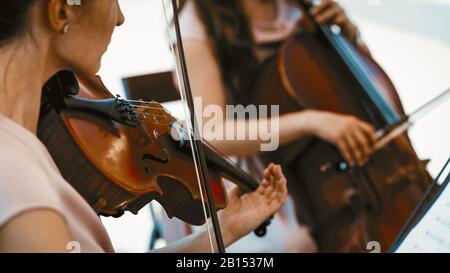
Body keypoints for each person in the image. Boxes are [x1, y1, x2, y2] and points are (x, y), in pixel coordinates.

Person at [0, 0, 288, 253]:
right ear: (61, 11)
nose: (120, 18)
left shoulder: (23, 151)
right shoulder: (19, 177)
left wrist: (222, 233)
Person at [174, 0, 378, 252]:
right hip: (252, 168)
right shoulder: (196, 24)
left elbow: (359, 84)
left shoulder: (300, 5)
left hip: (322, 157)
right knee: (295, 246)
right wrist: (312, 122)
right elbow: (211, 132)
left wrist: (347, 35)